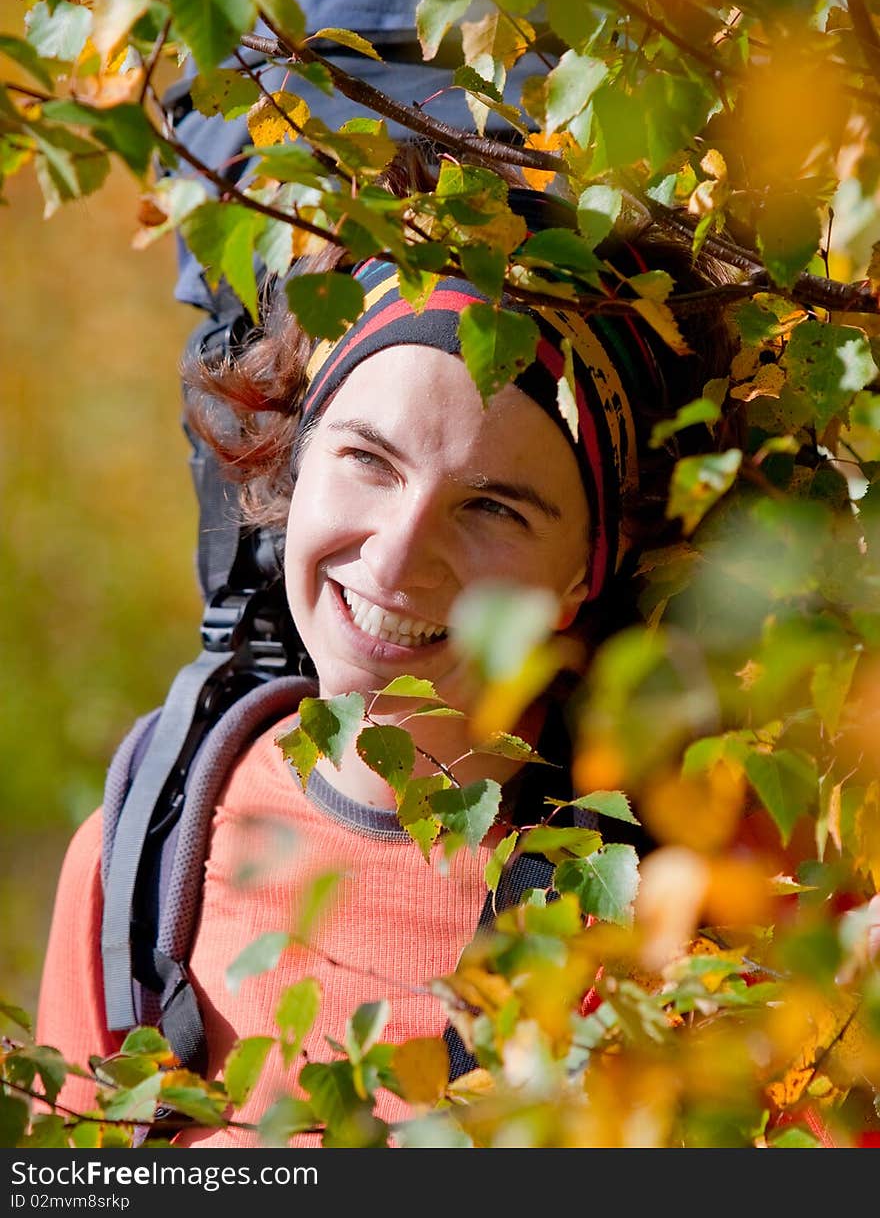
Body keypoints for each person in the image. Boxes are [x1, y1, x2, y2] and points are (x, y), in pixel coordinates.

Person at [35, 149, 739, 1147]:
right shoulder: (140, 863)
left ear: (589, 567)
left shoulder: (679, 914)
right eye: (368, 459)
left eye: (491, 507)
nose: (399, 556)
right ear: (295, 451)